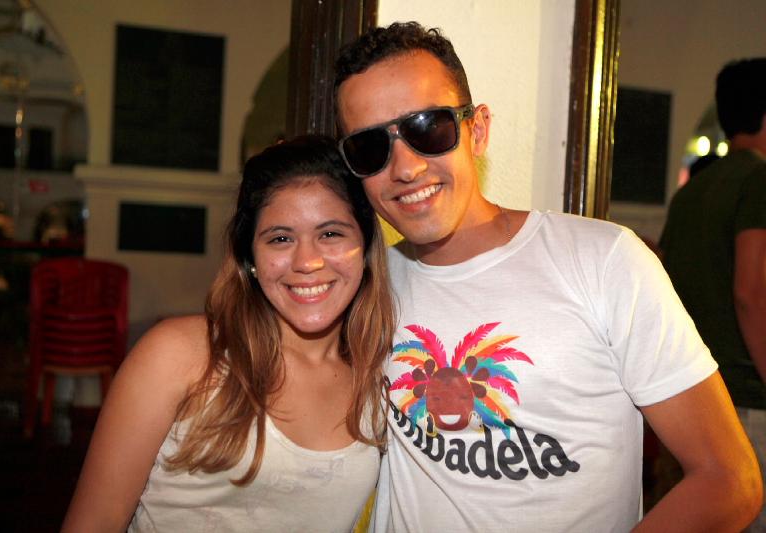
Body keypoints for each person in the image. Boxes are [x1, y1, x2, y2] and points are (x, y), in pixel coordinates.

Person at [333, 22, 762, 532]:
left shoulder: (603, 261)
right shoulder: (363, 289)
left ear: (478, 130)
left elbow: (729, 480)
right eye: (370, 148)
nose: (405, 167)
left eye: (428, 128)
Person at [61, 135, 395, 532]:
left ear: (365, 248)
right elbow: (95, 521)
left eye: (331, 234)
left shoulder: (381, 376)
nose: (307, 261)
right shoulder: (180, 355)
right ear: (250, 257)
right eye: (281, 238)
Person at [660, 57, 766, 529]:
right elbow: (752, 293)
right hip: (748, 392)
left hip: (695, 395)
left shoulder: (693, 191)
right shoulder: (759, 179)